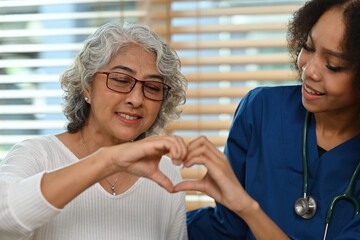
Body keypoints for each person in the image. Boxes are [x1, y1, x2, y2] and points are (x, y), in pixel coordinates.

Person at [173, 0, 360, 239]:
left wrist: (248, 208)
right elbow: (226, 226)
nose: (309, 70)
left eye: (333, 66)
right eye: (308, 47)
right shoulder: (261, 109)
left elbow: (240, 208)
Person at [0, 22, 188, 240]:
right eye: (120, 80)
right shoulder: (37, 154)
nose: (136, 99)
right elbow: (4, 220)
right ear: (87, 85)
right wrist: (108, 161)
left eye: (153, 87)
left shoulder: (165, 172)